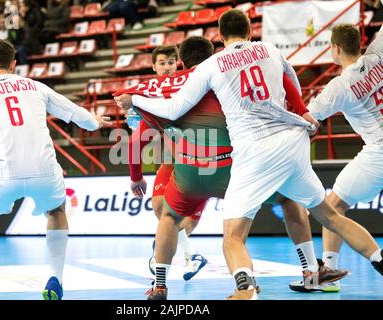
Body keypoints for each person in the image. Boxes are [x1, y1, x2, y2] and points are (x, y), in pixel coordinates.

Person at [115, 9, 383, 300]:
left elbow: (162, 118)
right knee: (308, 207)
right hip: (274, 147)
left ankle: (199, 286)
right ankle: (316, 269)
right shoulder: (268, 49)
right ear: (251, 32)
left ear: (219, 37)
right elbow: (290, 81)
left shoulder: (204, 71)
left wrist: (135, 101)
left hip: (211, 164)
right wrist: (304, 112)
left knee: (200, 226)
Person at [0, 39, 111, 300]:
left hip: (2, 173)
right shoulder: (36, 86)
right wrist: (95, 123)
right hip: (45, 170)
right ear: (14, 64)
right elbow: (75, 113)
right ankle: (56, 278)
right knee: (57, 211)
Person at [288, 20, 383, 292]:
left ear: (336, 48)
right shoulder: (378, 54)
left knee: (332, 208)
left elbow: (307, 118)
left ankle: (328, 272)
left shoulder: (340, 86)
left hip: (379, 151)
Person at [127, 45, 209, 282]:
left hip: (203, 162)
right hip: (173, 162)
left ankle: (184, 254)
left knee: (184, 225)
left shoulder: (193, 86)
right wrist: (135, 176)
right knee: (159, 207)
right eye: (162, 62)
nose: (167, 67)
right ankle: (192, 255)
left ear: (179, 64)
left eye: (171, 62)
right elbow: (136, 142)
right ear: (153, 67)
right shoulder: (151, 99)